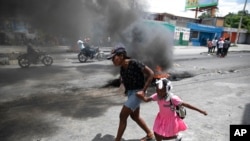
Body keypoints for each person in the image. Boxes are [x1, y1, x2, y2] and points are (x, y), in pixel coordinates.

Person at [107, 44, 154, 141]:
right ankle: (149, 134)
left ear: (121, 56)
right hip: (130, 93)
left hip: (137, 93)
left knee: (122, 115)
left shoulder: (134, 63)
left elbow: (151, 73)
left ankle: (117, 140)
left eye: (113, 58)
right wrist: (122, 85)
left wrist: (143, 91)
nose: (112, 61)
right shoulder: (122, 68)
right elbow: (124, 79)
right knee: (135, 116)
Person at [137, 78, 208, 141]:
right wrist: (141, 96)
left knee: (163, 136)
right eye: (158, 90)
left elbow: (187, 105)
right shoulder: (157, 96)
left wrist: (201, 111)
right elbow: (146, 100)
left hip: (171, 120)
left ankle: (177, 136)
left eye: (162, 91)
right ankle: (175, 136)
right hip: (161, 118)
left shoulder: (173, 98)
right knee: (156, 133)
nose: (159, 92)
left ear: (168, 89)